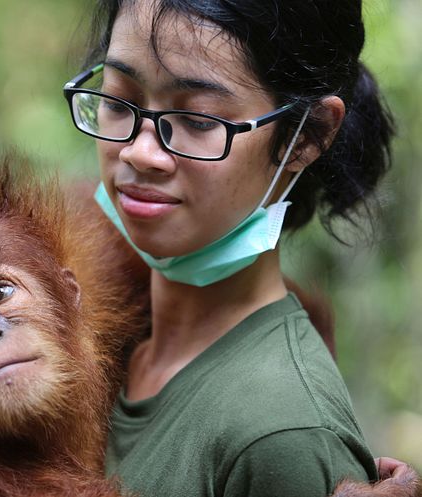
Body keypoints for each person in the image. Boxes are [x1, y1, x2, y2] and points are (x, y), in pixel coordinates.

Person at [62, 0, 401, 496]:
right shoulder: (87, 335)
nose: (139, 150)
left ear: (307, 135)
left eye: (198, 120)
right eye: (119, 100)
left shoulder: (279, 431)